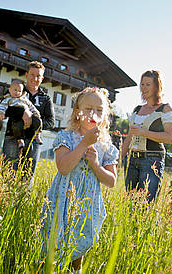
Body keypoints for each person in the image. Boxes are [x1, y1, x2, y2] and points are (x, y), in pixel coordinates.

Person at [41, 87, 119, 272]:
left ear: (105, 115)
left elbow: (111, 181)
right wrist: (84, 144)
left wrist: (96, 165)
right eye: (88, 109)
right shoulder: (66, 137)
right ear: (77, 113)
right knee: (55, 239)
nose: (93, 113)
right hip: (63, 197)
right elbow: (63, 167)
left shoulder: (107, 145)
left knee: (81, 241)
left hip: (88, 202)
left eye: (99, 110)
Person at [122, 70, 172, 203]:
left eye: (148, 84)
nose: (143, 88)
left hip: (151, 160)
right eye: (142, 84)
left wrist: (144, 133)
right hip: (131, 161)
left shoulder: (165, 109)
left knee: (146, 205)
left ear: (157, 86)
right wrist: (119, 159)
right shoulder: (137, 109)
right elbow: (129, 137)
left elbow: (169, 138)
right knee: (130, 204)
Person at [2, 61, 54, 175]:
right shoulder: (14, 90)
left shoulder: (46, 98)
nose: (35, 78)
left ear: (42, 78)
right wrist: (23, 112)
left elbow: (50, 122)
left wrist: (31, 122)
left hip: (33, 141)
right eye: (32, 75)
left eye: (38, 76)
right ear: (26, 75)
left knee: (27, 177)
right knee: (7, 176)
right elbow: (5, 111)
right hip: (12, 137)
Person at [0, 79, 43, 154]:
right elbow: (2, 107)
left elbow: (31, 107)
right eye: (15, 90)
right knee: (17, 126)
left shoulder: (25, 99)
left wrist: (36, 113)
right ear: (10, 90)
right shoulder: (8, 99)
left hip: (30, 119)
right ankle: (20, 140)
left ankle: (37, 134)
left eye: (19, 91)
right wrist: (1, 113)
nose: (17, 92)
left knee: (38, 120)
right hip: (17, 119)